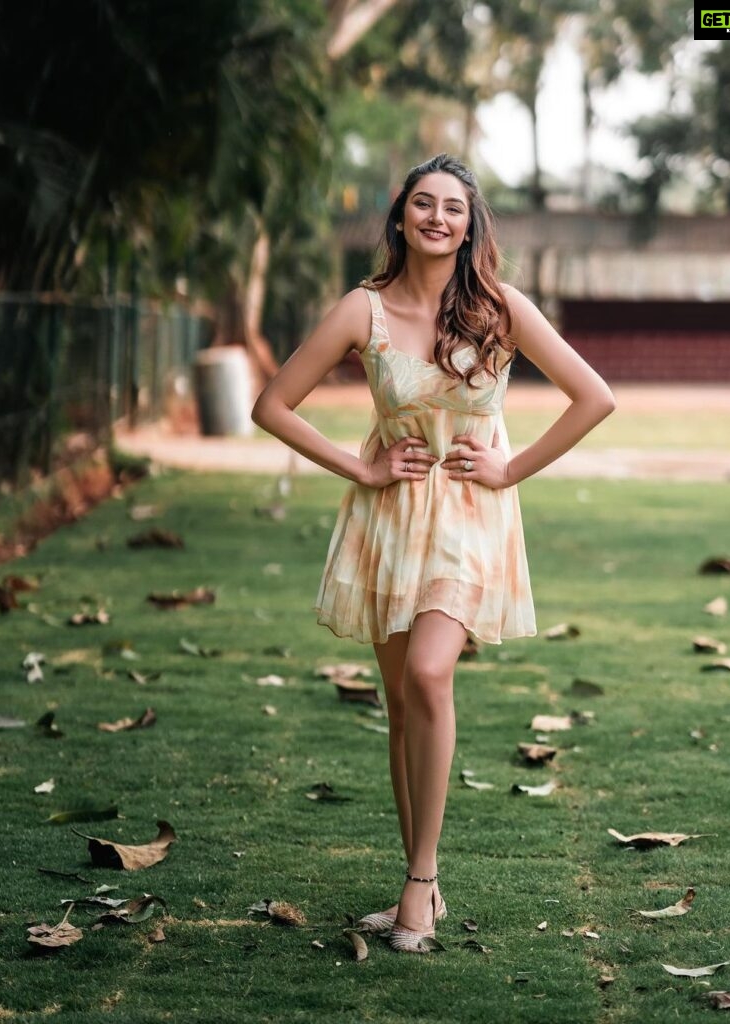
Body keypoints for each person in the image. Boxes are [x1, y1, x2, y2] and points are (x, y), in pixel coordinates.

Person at [251, 153, 616, 953]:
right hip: (387, 515)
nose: (437, 217)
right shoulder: (362, 310)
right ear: (400, 217)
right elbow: (271, 405)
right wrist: (361, 465)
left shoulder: (500, 307)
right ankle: (424, 883)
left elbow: (595, 396)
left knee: (427, 672)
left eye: (453, 206)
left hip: (469, 514)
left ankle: (418, 884)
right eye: (423, 203)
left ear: (469, 223)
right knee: (399, 707)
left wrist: (510, 467)